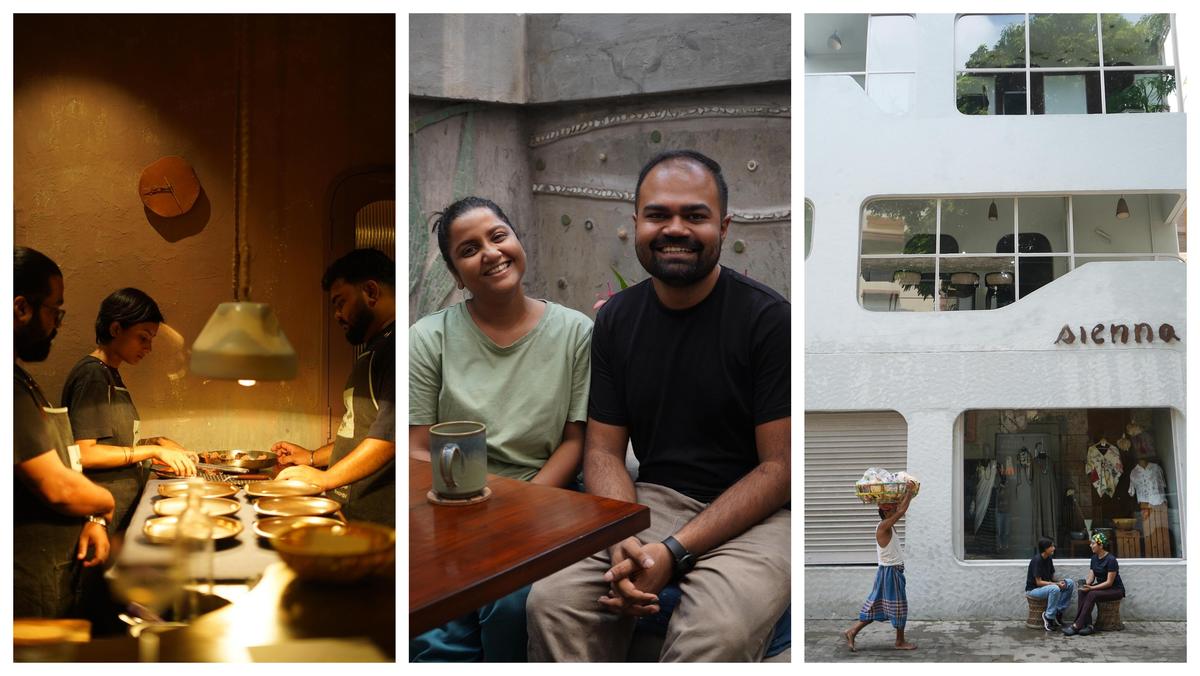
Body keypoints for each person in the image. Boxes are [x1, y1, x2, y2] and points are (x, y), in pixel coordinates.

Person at [526, 149, 791, 662]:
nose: (675, 229)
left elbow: (778, 468)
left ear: (724, 225)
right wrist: (623, 535)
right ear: (636, 224)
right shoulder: (617, 320)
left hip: (755, 515)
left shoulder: (766, 319)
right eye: (658, 215)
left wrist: (674, 551)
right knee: (553, 602)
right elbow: (602, 453)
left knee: (717, 633)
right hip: (651, 500)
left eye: (694, 215)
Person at [407, 196, 593, 661]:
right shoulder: (429, 338)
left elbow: (576, 441)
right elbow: (416, 448)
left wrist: (516, 510)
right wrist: (464, 511)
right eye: (468, 250)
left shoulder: (576, 332)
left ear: (516, 240)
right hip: (451, 511)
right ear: (455, 274)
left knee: (508, 602)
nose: (490, 253)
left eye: (497, 236)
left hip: (541, 507)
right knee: (432, 619)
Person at [14, 246, 116, 618]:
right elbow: (58, 487)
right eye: (54, 310)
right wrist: (104, 503)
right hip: (25, 587)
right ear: (21, 308)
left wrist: (91, 520)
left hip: (53, 570)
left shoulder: (20, 378)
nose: (57, 323)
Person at [273, 248, 396, 527]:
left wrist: (326, 478)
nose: (338, 315)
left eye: (341, 303)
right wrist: (313, 457)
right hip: (351, 512)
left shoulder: (397, 348)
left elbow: (391, 437)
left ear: (371, 292)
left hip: (378, 523)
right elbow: (363, 430)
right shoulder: (375, 349)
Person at [61, 288, 196, 535]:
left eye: (151, 339)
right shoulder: (93, 375)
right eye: (143, 337)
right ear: (115, 330)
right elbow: (84, 453)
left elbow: (113, 443)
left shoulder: (109, 374)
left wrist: (156, 442)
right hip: (97, 517)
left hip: (118, 509)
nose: (149, 347)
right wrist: (152, 450)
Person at [843, 483, 918, 652]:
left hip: (890, 572)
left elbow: (899, 510)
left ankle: (852, 631)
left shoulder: (886, 526)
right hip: (890, 573)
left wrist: (906, 496)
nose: (895, 512)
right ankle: (899, 642)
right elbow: (901, 511)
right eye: (891, 510)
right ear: (886, 512)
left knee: (876, 607)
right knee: (899, 606)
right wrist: (909, 492)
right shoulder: (884, 526)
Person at [1063, 532, 1125, 636]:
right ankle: (1088, 626)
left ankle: (1077, 625)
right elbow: (1091, 578)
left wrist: (1091, 589)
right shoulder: (1094, 558)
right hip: (1102, 588)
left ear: (1100, 545)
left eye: (1093, 543)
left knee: (1092, 594)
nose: (1090, 545)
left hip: (1115, 590)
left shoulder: (1111, 560)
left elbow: (1109, 583)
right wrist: (1084, 585)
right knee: (1082, 591)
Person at [1025, 537, 1075, 631]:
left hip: (1046, 587)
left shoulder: (1048, 559)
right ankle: (1049, 617)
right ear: (1045, 548)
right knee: (1054, 588)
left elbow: (1051, 578)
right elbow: (1038, 582)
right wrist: (1055, 584)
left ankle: (1058, 612)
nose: (1054, 548)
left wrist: (1059, 582)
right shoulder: (1037, 560)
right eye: (1051, 546)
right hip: (1033, 590)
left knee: (1069, 583)